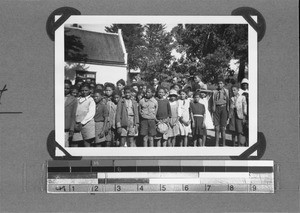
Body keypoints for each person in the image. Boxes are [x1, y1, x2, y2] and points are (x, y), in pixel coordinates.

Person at [72, 82, 96, 147]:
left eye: (86, 90)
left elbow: (91, 113)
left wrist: (82, 123)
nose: (84, 92)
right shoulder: (77, 99)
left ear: (90, 90)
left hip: (87, 124)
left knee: (87, 143)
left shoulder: (91, 100)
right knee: (75, 142)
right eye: (82, 90)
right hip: (77, 123)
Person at [212, 77, 230, 147]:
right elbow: (212, 101)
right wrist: (213, 107)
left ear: (224, 84)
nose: (219, 85)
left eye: (221, 83)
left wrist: (228, 110)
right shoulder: (215, 91)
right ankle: (216, 144)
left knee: (223, 128)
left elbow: (229, 101)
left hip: (224, 108)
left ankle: (223, 144)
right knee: (216, 128)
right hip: (216, 108)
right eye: (218, 83)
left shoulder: (227, 91)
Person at [64, 80, 77, 147]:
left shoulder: (73, 99)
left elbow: (73, 115)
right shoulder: (57, 96)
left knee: (65, 144)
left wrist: (72, 129)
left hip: (66, 126)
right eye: (64, 87)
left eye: (67, 88)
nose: (65, 89)